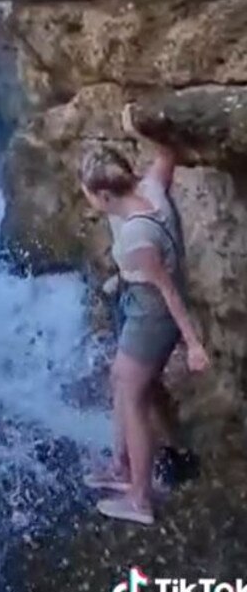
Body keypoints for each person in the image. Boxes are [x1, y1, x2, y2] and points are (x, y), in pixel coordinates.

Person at [79, 105, 209, 526]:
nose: (88, 201)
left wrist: (193, 345)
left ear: (105, 196)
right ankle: (123, 469)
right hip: (140, 304)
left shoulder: (137, 236)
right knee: (121, 382)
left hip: (153, 317)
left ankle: (139, 498)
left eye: (88, 195)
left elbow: (167, 290)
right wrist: (137, 124)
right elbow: (167, 154)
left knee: (132, 397)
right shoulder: (150, 190)